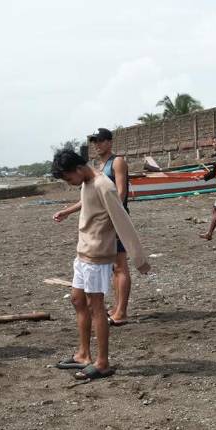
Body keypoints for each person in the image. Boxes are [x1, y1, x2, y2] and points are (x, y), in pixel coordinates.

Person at [51, 148, 151, 381]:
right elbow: (87, 204)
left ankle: (103, 362)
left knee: (96, 306)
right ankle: (83, 354)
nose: (69, 183)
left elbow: (123, 221)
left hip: (97, 255)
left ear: (78, 169)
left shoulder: (104, 185)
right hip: (82, 252)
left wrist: (140, 260)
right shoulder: (86, 183)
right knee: (78, 300)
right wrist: (67, 211)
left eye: (68, 179)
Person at [89, 128, 132, 324]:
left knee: (121, 265)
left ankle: (121, 312)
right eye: (94, 142)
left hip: (116, 218)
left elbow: (120, 193)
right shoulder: (99, 165)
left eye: (99, 141)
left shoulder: (117, 162)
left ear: (109, 142)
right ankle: (116, 307)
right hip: (105, 220)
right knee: (115, 266)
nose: (96, 145)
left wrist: (112, 218)